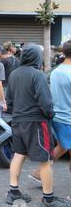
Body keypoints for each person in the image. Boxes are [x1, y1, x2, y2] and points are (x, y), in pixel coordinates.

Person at [5, 44, 71, 207]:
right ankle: (48, 199)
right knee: (46, 160)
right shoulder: (37, 75)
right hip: (36, 123)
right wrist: (49, 115)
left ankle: (13, 191)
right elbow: (45, 102)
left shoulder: (14, 74)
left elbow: (9, 100)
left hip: (17, 121)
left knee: (19, 155)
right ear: (36, 57)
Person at [30, 40, 71, 182]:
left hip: (56, 115)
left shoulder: (56, 71)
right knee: (64, 146)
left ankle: (39, 172)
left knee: (64, 146)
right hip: (68, 118)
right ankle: (39, 172)